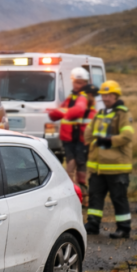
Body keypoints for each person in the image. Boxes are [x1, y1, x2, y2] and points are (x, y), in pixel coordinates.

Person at [84, 80, 134, 238]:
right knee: (95, 196)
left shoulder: (122, 114)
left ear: (115, 96)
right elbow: (88, 134)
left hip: (116, 167)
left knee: (118, 198)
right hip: (98, 167)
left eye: (108, 95)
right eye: (103, 95)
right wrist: (95, 141)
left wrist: (109, 141)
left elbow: (127, 135)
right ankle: (92, 225)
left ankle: (124, 229)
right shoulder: (100, 114)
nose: (105, 98)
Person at [47, 67, 97, 205]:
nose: (78, 85)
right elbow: (55, 114)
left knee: (78, 164)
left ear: (86, 83)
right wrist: (59, 112)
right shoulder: (72, 97)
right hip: (70, 136)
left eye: (81, 82)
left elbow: (77, 110)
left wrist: (64, 112)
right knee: (74, 163)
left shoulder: (83, 97)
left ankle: (79, 195)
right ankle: (74, 194)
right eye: (76, 82)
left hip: (81, 137)